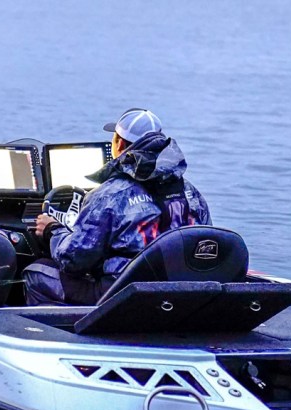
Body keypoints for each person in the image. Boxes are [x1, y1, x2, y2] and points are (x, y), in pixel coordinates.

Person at [23, 108, 210, 306]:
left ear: (119, 143)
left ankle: (68, 325)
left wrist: (53, 230)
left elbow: (73, 260)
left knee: (36, 273)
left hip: (123, 294)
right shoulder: (192, 193)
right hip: (178, 291)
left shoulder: (110, 194)